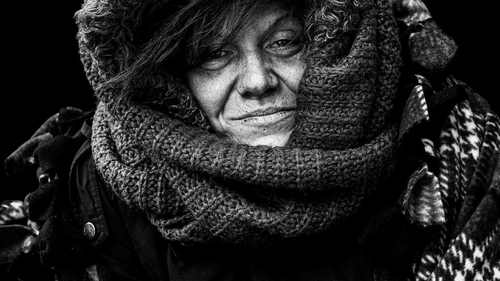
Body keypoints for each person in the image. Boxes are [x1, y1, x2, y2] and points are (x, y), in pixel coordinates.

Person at [1, 0, 499, 280]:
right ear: (170, 80)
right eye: (214, 54)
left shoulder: (448, 148)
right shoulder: (106, 183)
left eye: (284, 42)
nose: (257, 81)